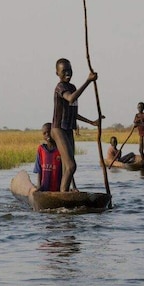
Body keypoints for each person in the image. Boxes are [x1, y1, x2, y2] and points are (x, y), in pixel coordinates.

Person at [51, 58, 101, 192]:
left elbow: (74, 112)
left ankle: (67, 190)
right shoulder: (60, 87)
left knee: (67, 165)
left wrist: (92, 122)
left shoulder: (72, 87)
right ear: (57, 73)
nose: (68, 73)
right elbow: (71, 98)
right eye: (64, 71)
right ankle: (63, 196)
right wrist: (88, 81)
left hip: (68, 129)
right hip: (58, 129)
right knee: (71, 166)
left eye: (69, 70)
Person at [33, 123, 63, 191]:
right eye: (44, 133)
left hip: (58, 188)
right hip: (44, 187)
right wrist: (39, 186)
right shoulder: (41, 149)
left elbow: (67, 169)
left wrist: (73, 187)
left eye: (49, 132)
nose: (47, 134)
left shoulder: (60, 149)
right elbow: (39, 170)